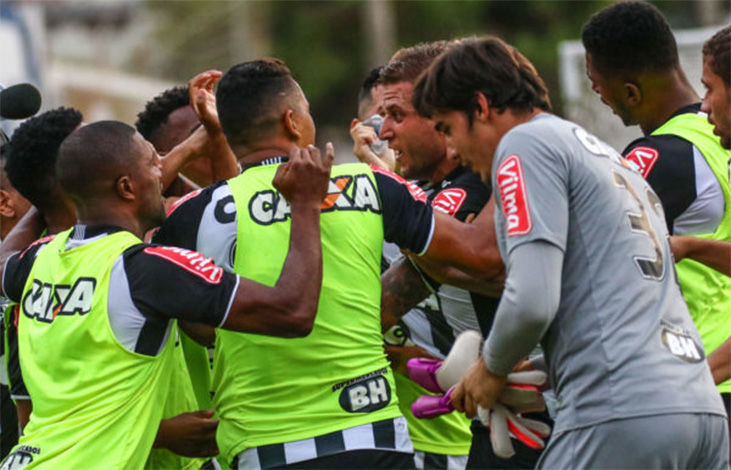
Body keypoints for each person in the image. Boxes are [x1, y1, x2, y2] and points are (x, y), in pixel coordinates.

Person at [154, 58, 496, 469]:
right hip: (373, 438)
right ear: (293, 121)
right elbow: (478, 253)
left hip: (265, 448)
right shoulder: (371, 185)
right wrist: (508, 152)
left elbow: (201, 328)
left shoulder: (191, 215)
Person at [413, 36, 728, 469]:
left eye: (448, 128)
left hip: (623, 413)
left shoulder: (524, 146)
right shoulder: (608, 158)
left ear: (481, 106)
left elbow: (531, 300)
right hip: (700, 411)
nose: (453, 151)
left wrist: (492, 369)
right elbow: (614, 307)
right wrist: (535, 368)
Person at [0, 120, 331, 469]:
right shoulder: (143, 270)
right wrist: (305, 204)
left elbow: (3, 257)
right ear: (127, 187)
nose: (163, 169)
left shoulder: (36, 260)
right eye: (152, 162)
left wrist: (64, 187)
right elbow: (293, 312)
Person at [582, 2, 731, 425]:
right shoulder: (716, 134)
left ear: (631, 91)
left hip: (696, 375)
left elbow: (589, 259)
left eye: (598, 87)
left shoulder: (654, 158)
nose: (603, 99)